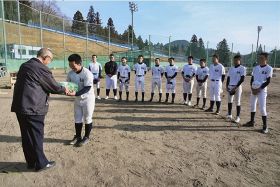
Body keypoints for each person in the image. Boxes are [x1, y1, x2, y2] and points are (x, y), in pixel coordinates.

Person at [11, 48, 68, 172]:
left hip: (20, 107)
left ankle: (31, 162)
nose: (50, 62)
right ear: (45, 57)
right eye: (50, 60)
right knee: (36, 136)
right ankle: (41, 163)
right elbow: (53, 86)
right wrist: (65, 90)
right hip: (33, 107)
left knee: (26, 136)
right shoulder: (41, 68)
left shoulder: (25, 65)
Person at [67, 54, 95, 146]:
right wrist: (66, 89)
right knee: (77, 118)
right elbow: (68, 85)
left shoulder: (87, 73)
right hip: (77, 99)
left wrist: (75, 93)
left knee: (87, 118)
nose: (72, 68)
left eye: (73, 66)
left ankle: (86, 137)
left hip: (88, 99)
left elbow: (87, 88)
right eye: (70, 66)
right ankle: (78, 136)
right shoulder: (70, 73)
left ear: (79, 64)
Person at [244, 52, 273, 134]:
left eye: (262, 58)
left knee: (262, 108)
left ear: (266, 59)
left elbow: (268, 81)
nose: (260, 59)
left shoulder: (269, 68)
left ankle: (265, 126)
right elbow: (252, 79)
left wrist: (259, 89)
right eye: (259, 58)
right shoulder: (256, 68)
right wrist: (252, 88)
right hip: (254, 89)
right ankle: (251, 122)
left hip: (262, 91)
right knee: (252, 106)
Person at [226, 55, 246, 123]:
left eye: (237, 60)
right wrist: (227, 86)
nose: (235, 61)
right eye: (234, 60)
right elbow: (228, 77)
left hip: (237, 87)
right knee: (229, 101)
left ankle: (237, 117)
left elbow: (242, 79)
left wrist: (236, 87)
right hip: (230, 86)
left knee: (237, 102)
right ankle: (229, 114)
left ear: (240, 60)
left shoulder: (242, 68)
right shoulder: (231, 68)